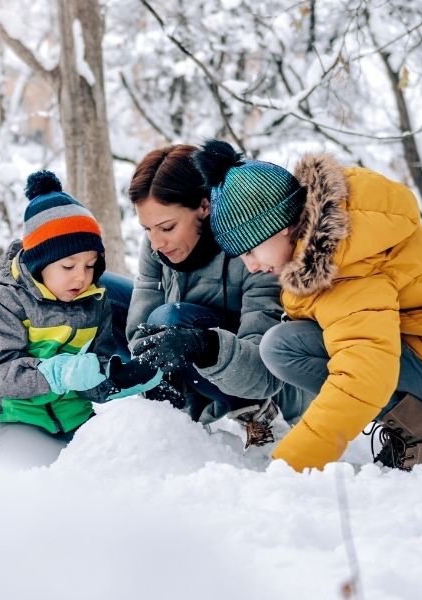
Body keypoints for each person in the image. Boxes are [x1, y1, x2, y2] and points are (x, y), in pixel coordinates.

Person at [194, 140, 422, 472]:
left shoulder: (346, 262)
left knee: (285, 348)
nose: (250, 266)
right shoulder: (335, 235)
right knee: (286, 342)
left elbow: (363, 374)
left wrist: (292, 464)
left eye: (251, 251)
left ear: (284, 226)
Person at [102, 144, 312, 444]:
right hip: (186, 356)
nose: (156, 242)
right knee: (99, 292)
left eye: (167, 227)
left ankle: (256, 415)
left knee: (170, 318)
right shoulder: (157, 245)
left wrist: (200, 345)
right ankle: (160, 414)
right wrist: (148, 369)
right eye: (147, 229)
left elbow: (263, 372)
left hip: (262, 381)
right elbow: (141, 326)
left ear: (204, 206)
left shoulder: (257, 253)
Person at [0, 170, 162, 467]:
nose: (81, 277)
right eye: (68, 265)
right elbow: (2, 374)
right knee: (31, 475)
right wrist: (61, 373)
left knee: (102, 470)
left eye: (90, 265)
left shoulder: (94, 300)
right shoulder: (5, 300)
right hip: (21, 416)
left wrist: (114, 379)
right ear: (40, 263)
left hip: (76, 415)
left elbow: (94, 365)